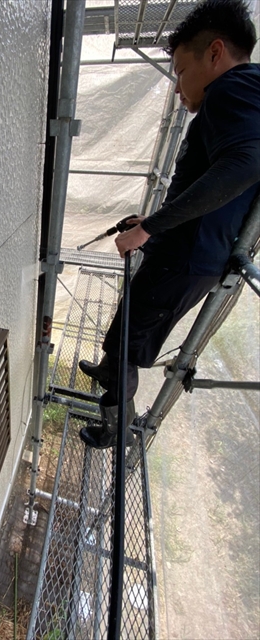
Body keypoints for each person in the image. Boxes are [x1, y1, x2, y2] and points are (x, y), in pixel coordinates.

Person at [79, 0, 260, 449]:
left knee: (129, 341)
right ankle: (107, 371)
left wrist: (149, 228)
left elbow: (244, 165)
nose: (177, 87)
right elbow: (215, 185)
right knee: (127, 325)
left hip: (186, 257)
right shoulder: (241, 95)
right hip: (185, 251)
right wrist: (153, 223)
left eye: (180, 71)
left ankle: (115, 428)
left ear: (215, 52)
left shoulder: (232, 89)